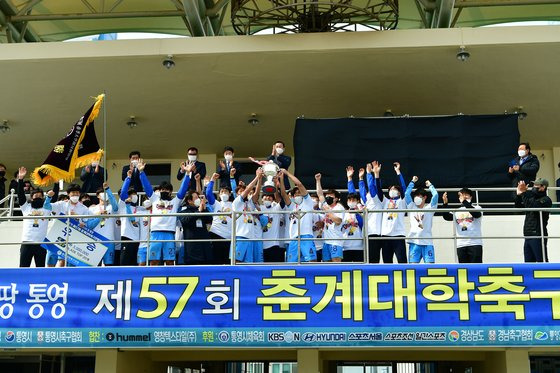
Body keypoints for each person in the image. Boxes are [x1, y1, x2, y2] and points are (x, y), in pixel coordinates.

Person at [138, 158, 192, 266]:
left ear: (171, 192)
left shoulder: (175, 202)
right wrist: (141, 172)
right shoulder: (154, 199)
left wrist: (187, 173)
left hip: (169, 234)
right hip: (155, 233)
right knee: (153, 261)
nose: (164, 191)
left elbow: (183, 189)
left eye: (167, 190)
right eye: (162, 189)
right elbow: (147, 187)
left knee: (170, 261)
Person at [47, 183, 97, 267]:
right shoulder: (61, 204)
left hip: (72, 240)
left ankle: (64, 280)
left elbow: (88, 223)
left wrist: (82, 223)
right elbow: (47, 206)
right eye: (73, 193)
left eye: (77, 193)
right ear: (68, 193)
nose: (75, 195)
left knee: (64, 263)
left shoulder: (84, 208)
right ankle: (50, 280)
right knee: (50, 262)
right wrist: (48, 197)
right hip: (56, 237)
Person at [15, 166, 55, 267]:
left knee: (40, 270)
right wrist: (20, 179)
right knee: (23, 269)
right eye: (35, 196)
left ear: (43, 198)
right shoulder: (26, 207)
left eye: (40, 196)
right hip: (26, 243)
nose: (38, 198)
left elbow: (53, 195)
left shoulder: (46, 209)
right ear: (31, 198)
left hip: (41, 244)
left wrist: (57, 183)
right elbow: (20, 195)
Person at [371, 162, 408, 263]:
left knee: (402, 261)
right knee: (387, 262)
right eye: (390, 189)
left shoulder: (402, 201)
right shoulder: (385, 201)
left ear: (399, 192)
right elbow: (378, 189)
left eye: (394, 189)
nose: (392, 190)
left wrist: (398, 171)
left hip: (398, 235)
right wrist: (376, 174)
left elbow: (404, 187)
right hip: (385, 236)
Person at [279, 169, 317, 263]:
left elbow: (299, 184)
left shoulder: (308, 202)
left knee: (311, 261)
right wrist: (281, 179)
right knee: (291, 264)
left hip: (306, 236)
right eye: (295, 194)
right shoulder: (292, 206)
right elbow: (283, 194)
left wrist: (287, 173)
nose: (297, 195)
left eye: (299, 193)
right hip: (294, 239)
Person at [515, 178, 552, 262]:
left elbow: (532, 206)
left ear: (543, 187)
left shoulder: (546, 200)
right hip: (527, 234)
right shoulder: (530, 197)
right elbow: (518, 207)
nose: (534, 187)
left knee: (541, 261)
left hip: (538, 234)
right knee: (528, 264)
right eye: (533, 185)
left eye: (536, 185)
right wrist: (519, 194)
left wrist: (524, 193)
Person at [442, 189, 483, 263]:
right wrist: (445, 204)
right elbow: (446, 217)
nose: (464, 197)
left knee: (475, 269)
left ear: (471, 196)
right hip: (461, 244)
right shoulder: (457, 211)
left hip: (475, 243)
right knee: (463, 269)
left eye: (466, 195)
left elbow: (477, 214)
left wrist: (464, 201)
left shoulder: (477, 207)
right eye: (462, 195)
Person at [404, 176, 439, 264]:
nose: (416, 198)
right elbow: (406, 194)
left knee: (430, 267)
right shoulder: (411, 206)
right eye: (415, 196)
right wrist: (412, 182)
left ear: (425, 197)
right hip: (414, 242)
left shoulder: (430, 208)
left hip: (427, 242)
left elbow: (435, 195)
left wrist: (430, 185)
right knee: (412, 268)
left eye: (419, 196)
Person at [231, 168, 262, 263]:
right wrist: (257, 177)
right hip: (240, 236)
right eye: (240, 191)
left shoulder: (249, 203)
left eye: (243, 191)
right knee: (237, 261)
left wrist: (260, 179)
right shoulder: (236, 202)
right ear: (237, 194)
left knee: (249, 263)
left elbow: (256, 194)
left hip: (250, 237)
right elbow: (248, 189)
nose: (244, 193)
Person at [315, 173, 345, 262]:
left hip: (335, 241)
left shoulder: (339, 207)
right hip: (326, 241)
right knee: (327, 264)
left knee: (336, 262)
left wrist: (328, 211)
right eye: (327, 195)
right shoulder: (326, 206)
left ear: (336, 199)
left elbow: (338, 221)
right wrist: (318, 180)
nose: (328, 197)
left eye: (331, 196)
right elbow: (320, 194)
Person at [206, 173, 233, 264]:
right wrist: (212, 179)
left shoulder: (234, 205)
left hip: (229, 237)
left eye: (226, 191)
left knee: (226, 262)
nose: (224, 193)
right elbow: (208, 193)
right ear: (219, 194)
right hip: (216, 234)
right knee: (215, 261)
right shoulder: (216, 204)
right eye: (222, 191)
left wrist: (232, 178)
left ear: (230, 193)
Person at [179, 191, 213, 264]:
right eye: (196, 198)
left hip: (204, 246)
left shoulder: (202, 210)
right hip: (192, 247)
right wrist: (198, 212)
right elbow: (186, 221)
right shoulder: (184, 212)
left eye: (199, 198)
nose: (198, 200)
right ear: (189, 201)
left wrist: (204, 209)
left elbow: (209, 219)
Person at [89, 184, 119, 266]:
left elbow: (115, 206)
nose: (104, 194)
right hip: (95, 240)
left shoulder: (111, 208)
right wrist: (99, 216)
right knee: (95, 266)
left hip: (109, 239)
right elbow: (89, 226)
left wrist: (108, 189)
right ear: (98, 196)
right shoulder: (92, 209)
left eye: (105, 193)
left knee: (109, 265)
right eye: (102, 193)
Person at [118, 173, 142, 266]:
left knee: (134, 264)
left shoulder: (140, 208)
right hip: (127, 237)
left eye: (135, 194)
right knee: (124, 263)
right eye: (132, 195)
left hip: (137, 239)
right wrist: (128, 178)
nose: (134, 196)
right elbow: (123, 192)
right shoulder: (123, 206)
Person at [260, 184, 285, 262]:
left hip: (274, 245)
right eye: (265, 196)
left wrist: (277, 187)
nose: (267, 197)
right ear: (262, 199)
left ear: (273, 200)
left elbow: (282, 200)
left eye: (270, 196)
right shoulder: (258, 208)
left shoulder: (276, 208)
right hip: (260, 246)